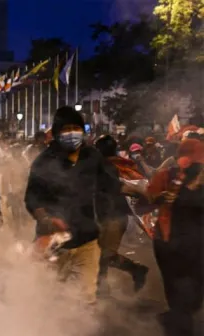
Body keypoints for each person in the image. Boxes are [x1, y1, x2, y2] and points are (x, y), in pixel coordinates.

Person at [24, 107, 143, 304]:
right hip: (54, 242)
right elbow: (32, 198)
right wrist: (45, 219)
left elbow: (111, 183)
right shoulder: (43, 161)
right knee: (50, 297)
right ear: (56, 132)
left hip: (87, 240)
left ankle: (78, 331)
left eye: (75, 128)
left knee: (85, 299)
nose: (71, 133)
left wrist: (143, 192)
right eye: (66, 129)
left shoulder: (91, 156)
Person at [146, 139, 204, 336]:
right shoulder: (168, 176)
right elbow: (149, 198)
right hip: (171, 246)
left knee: (191, 299)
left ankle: (176, 321)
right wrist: (165, 193)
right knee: (181, 300)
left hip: (197, 248)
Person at [93, 135, 149, 294]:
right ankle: (103, 288)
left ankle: (133, 271)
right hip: (109, 216)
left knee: (103, 255)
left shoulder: (106, 166)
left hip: (113, 217)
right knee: (100, 254)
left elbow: (116, 188)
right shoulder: (119, 165)